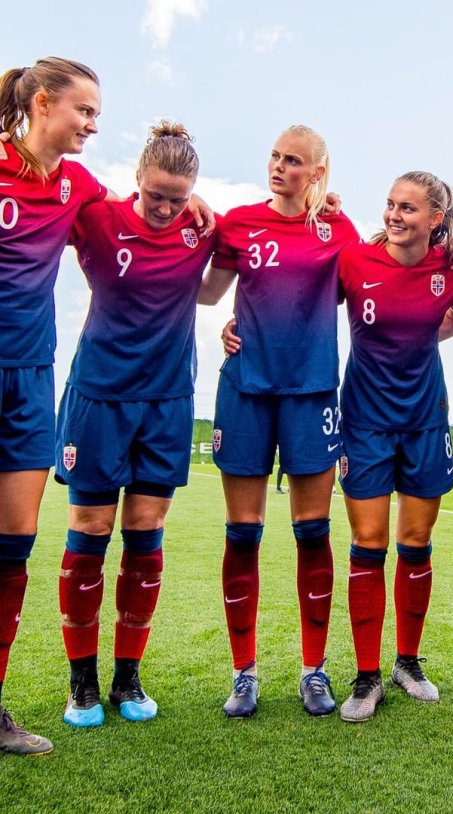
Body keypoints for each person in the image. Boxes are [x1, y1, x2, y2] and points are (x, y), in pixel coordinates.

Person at [54, 122, 218, 728]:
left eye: (179, 197)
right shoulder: (97, 218)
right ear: (137, 179)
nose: (167, 208)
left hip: (167, 400)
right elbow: (51, 193)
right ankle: (81, 684)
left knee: (145, 539)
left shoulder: (202, 229)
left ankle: (127, 679)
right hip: (99, 397)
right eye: (156, 194)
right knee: (91, 531)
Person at [198, 125, 360, 718]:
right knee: (243, 532)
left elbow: (368, 284)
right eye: (274, 156)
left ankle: (313, 671)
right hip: (245, 390)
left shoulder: (337, 230)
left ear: (317, 173)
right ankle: (244, 674)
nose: (278, 166)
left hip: (312, 392)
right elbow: (208, 293)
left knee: (312, 531)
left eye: (293, 161)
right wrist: (224, 327)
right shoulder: (239, 222)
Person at [0, 56, 110, 755]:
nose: (93, 125)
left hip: (31, 380)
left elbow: (135, 226)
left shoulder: (75, 185)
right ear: (44, 103)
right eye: (85, 112)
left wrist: (192, 208)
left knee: (13, 547)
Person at [337, 170, 453, 722]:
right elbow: (293, 297)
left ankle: (407, 662)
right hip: (364, 422)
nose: (394, 215)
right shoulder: (355, 260)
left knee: (415, 543)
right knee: (369, 543)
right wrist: (235, 324)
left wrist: (431, 332)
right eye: (391, 204)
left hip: (424, 422)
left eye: (408, 208)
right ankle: (366, 676)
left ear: (435, 220)